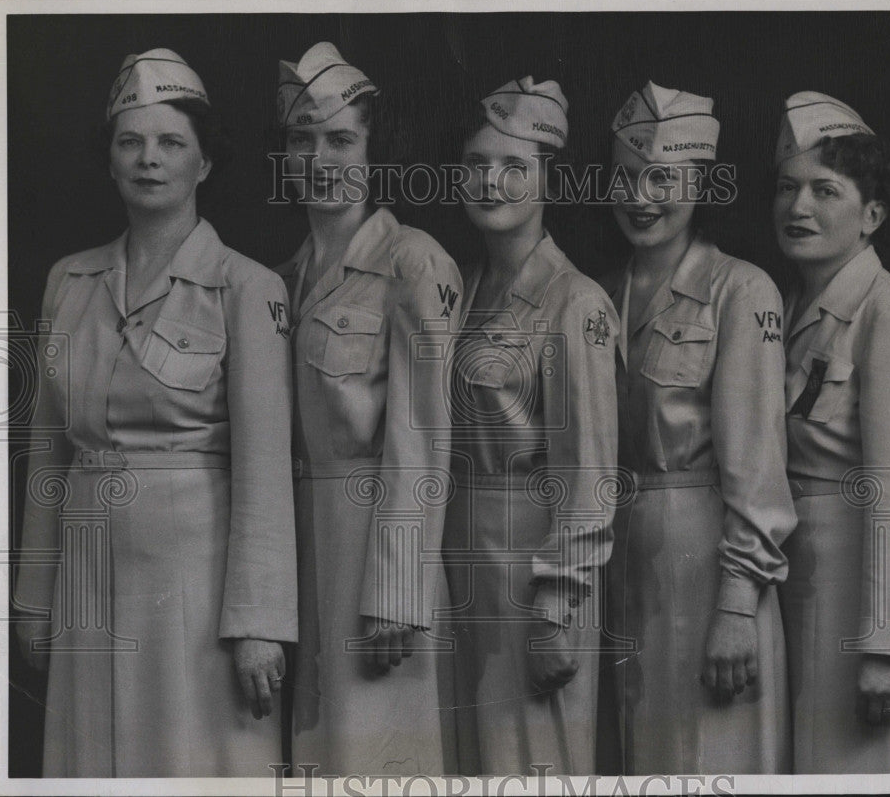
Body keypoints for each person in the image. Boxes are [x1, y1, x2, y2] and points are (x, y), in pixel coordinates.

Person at [12, 49, 297, 777]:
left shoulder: (246, 286)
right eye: (129, 141)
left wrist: (260, 623)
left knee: (193, 765)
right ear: (109, 160)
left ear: (205, 163)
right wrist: (34, 595)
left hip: (194, 590)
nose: (149, 160)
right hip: (85, 575)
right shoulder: (67, 281)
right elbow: (48, 450)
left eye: (172, 143)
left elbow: (265, 467)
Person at [275, 42, 462, 775]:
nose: (320, 158)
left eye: (341, 139)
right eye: (301, 139)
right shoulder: (285, 275)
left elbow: (422, 438)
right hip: (304, 553)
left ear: (374, 151)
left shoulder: (413, 261)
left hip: (377, 555)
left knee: (380, 762)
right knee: (317, 759)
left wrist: (399, 588)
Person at [603, 82, 796, 774]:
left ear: (703, 184)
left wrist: (738, 605)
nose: (640, 195)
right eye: (625, 176)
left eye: (663, 177)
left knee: (714, 759)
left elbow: (757, 460)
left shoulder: (741, 291)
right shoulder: (602, 292)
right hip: (624, 561)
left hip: (710, 561)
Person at [774, 91, 890, 773]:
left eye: (825, 190)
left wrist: (887, 643)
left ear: (872, 214)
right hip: (805, 586)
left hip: (867, 594)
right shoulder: (796, 306)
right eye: (788, 187)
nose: (799, 208)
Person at [442, 77, 619, 775]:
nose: (490, 181)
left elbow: (591, 471)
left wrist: (555, 609)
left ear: (550, 180)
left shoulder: (574, 301)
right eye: (477, 165)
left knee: (533, 761)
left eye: (513, 168)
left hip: (534, 555)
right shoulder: (458, 287)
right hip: (463, 549)